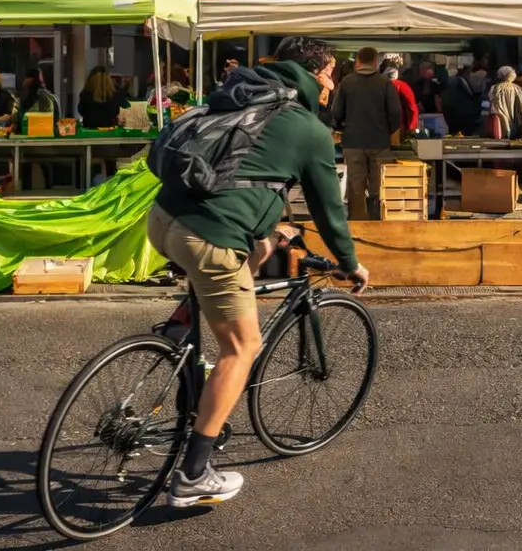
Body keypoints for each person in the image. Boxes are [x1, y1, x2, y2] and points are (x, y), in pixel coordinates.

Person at [147, 35, 368, 507]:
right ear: (318, 72)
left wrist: (272, 230)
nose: (332, 82)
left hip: (164, 219)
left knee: (254, 247)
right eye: (331, 72)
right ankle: (193, 475)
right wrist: (350, 264)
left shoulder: (241, 92)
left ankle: (179, 330)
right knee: (243, 346)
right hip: (210, 236)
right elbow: (331, 212)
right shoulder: (307, 128)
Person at [330, 47, 402, 220]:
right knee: (379, 186)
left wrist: (342, 127)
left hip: (353, 142)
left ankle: (358, 224)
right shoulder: (385, 84)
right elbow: (395, 113)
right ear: (376, 61)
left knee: (356, 187)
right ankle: (378, 221)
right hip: (379, 142)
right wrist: (387, 130)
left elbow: (336, 112)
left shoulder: (347, 82)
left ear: (358, 61)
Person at [488, 66, 522, 140]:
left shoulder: (494, 88)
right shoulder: (517, 88)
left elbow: (490, 100)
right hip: (514, 124)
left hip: (499, 122)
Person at [442, 64, 483, 137]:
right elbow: (469, 94)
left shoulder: (452, 81)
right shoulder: (461, 81)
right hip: (462, 113)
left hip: (453, 112)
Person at [381, 64, 419, 136]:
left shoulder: (380, 86)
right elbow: (412, 108)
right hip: (399, 127)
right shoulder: (402, 86)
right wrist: (411, 128)